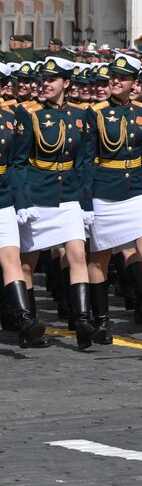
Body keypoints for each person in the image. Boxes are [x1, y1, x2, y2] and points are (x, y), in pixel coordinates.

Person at [13, 56, 100, 347]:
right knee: (28, 262)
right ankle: (29, 323)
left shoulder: (81, 115)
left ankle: (83, 320)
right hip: (38, 193)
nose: (45, 85)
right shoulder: (29, 114)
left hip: (69, 195)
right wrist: (23, 200)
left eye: (52, 80)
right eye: (43, 80)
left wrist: (85, 201)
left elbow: (86, 161)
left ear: (67, 83)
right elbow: (20, 161)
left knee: (77, 254)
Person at [82, 54, 142, 343]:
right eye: (112, 77)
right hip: (105, 190)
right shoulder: (96, 112)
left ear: (134, 83)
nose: (115, 81)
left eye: (122, 78)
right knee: (100, 258)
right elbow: (86, 159)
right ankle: (102, 321)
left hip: (137, 188)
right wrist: (85, 201)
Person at [1, 89, 48, 348]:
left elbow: (17, 163)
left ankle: (23, 319)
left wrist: (20, 200)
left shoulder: (11, 118)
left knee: (11, 258)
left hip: (3, 196)